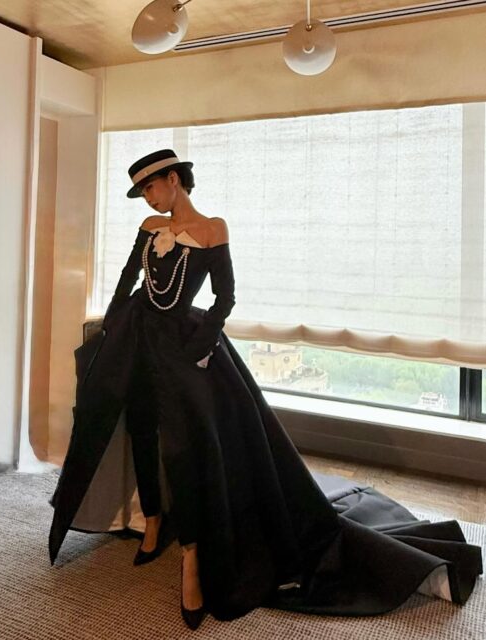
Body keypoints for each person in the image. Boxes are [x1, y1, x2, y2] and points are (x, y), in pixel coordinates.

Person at [49, 149, 483, 631]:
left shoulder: (213, 229)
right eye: (142, 192)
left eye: (150, 187)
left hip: (183, 348)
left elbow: (225, 297)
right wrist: (113, 326)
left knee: (181, 448)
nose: (147, 198)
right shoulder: (150, 227)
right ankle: (152, 519)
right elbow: (128, 279)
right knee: (141, 429)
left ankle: (192, 554)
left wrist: (199, 347)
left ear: (173, 179)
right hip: (137, 339)